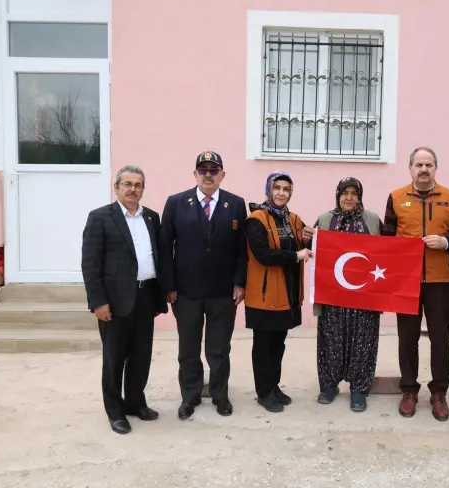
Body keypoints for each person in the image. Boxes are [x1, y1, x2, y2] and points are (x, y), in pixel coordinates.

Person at [159, 151, 248, 419]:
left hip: (223, 292)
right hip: (186, 292)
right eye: (203, 170)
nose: (208, 175)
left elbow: (241, 249)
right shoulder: (176, 203)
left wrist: (240, 282)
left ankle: (220, 395)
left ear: (222, 175)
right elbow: (165, 247)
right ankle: (190, 396)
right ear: (195, 174)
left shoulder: (235, 204)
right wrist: (169, 284)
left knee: (219, 348)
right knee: (188, 347)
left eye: (213, 170)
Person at [81, 165, 167, 435]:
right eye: (127, 184)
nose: (132, 189)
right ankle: (115, 411)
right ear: (116, 187)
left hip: (146, 295)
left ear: (143, 189)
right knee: (114, 358)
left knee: (141, 356)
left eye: (137, 185)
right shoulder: (100, 217)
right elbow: (90, 264)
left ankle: (135, 403)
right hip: (115, 302)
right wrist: (98, 302)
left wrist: (159, 296)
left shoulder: (151, 217)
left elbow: (157, 256)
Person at [383, 147, 449, 421]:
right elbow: (386, 238)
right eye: (418, 164)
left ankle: (439, 392)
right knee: (407, 338)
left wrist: (445, 242)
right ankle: (409, 390)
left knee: (440, 338)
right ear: (410, 168)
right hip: (406, 281)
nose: (423, 169)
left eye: (428, 164)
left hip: (440, 280)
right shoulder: (396, 197)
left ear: (435, 168)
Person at [310, 177, 383, 412]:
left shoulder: (372, 220)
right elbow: (314, 251)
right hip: (333, 296)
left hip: (364, 297)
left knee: (363, 341)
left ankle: (359, 388)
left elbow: (387, 252)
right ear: (338, 195)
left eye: (354, 193)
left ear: (360, 197)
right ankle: (329, 385)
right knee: (331, 340)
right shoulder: (325, 219)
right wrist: (308, 239)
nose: (349, 198)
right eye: (345, 193)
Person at [244, 171, 312, 413]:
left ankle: (273, 386)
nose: (281, 193)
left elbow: (304, 245)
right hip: (264, 295)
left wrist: (307, 240)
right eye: (277, 188)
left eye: (286, 189)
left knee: (278, 344)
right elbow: (263, 255)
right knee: (264, 346)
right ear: (268, 190)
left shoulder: (293, 219)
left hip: (287, 294)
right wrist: (296, 255)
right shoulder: (256, 219)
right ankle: (263, 392)